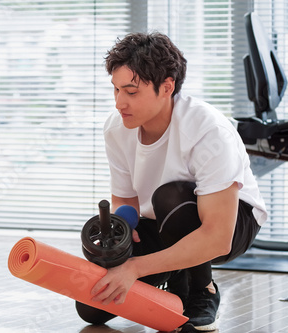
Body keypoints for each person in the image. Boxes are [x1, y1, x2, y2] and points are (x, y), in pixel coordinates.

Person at [75, 32, 266, 332]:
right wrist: (123, 243)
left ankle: (202, 290)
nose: (119, 103)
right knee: (91, 306)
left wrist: (135, 269)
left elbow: (218, 236)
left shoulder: (207, 130)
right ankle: (175, 272)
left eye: (131, 92)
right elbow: (126, 202)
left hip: (231, 222)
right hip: (161, 221)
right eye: (115, 90)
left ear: (166, 86)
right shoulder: (116, 128)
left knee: (170, 197)